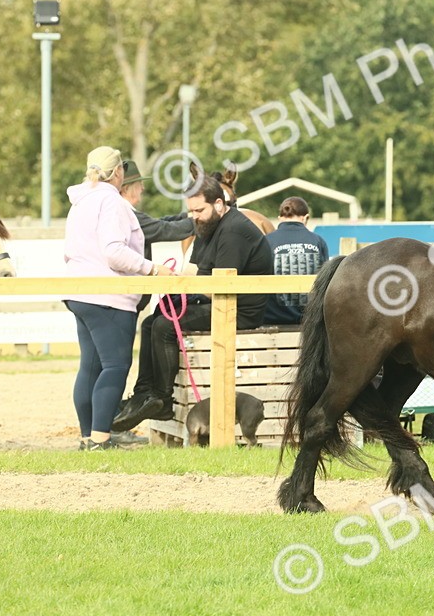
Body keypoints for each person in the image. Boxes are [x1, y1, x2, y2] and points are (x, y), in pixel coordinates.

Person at [112, 174, 274, 431]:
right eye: (191, 211)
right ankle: (145, 393)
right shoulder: (206, 226)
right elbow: (196, 271)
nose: (194, 216)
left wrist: (181, 281)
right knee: (152, 321)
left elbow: (217, 286)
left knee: (165, 325)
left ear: (219, 205)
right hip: (219, 299)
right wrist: (176, 286)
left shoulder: (234, 230)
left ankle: (163, 400)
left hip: (237, 309)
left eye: (199, 210)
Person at [63, 146, 174, 450]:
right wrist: (152, 268)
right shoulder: (112, 202)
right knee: (115, 365)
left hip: (78, 291)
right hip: (109, 295)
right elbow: (114, 252)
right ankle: (101, 438)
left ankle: (88, 437)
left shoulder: (80, 202)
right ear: (118, 173)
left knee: (91, 366)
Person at [118, 160, 195, 312]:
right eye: (139, 184)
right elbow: (163, 229)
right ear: (126, 189)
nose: (143, 188)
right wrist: (204, 218)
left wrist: (187, 216)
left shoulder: (127, 213)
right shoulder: (128, 215)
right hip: (123, 301)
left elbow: (158, 223)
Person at [262, 196, 330, 326]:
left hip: (273, 319)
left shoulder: (266, 241)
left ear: (279, 218)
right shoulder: (318, 241)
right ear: (306, 218)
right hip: (310, 320)